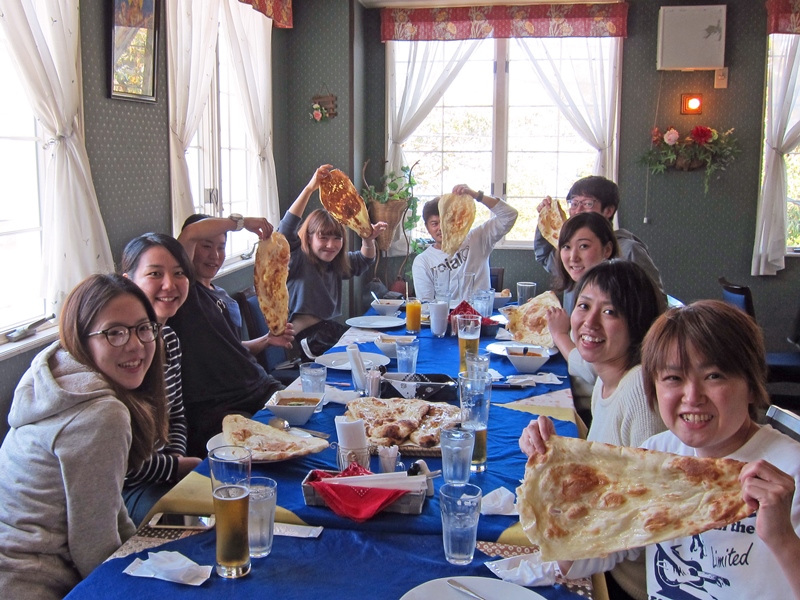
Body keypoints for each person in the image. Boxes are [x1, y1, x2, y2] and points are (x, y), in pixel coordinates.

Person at [526, 300, 800, 600]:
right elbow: (580, 560)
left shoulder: (790, 471)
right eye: (673, 378)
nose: (692, 396)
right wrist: (555, 480)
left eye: (714, 376)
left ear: (751, 383)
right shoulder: (659, 454)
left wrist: (782, 538)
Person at [0, 274, 168, 600]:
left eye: (144, 328)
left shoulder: (58, 373)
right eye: (114, 333)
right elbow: (94, 547)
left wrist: (141, 553)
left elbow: (106, 505)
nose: (135, 345)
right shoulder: (102, 415)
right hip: (31, 582)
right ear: (82, 337)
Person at [521, 259, 667, 600]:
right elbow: (607, 472)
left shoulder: (637, 391)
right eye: (584, 306)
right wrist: (555, 452)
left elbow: (649, 515)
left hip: (627, 583)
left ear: (638, 323)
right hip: (603, 564)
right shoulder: (608, 380)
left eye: (610, 312)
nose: (589, 321)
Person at [172, 213, 295, 457]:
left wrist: (266, 341)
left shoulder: (221, 296)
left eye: (221, 247)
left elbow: (231, 348)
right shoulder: (183, 293)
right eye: (206, 246)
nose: (214, 255)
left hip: (259, 386)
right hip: (220, 404)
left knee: (310, 418)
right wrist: (241, 223)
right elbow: (189, 234)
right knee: (269, 449)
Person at [119, 233, 203, 524]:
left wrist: (175, 463)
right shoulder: (120, 354)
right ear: (128, 281)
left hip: (162, 470)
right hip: (124, 488)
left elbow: (176, 416)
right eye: (155, 274)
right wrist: (174, 468)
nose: (170, 284)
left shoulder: (169, 338)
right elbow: (121, 465)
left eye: (179, 273)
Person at [278, 164, 387, 353]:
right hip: (304, 341)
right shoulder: (298, 259)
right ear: (309, 237)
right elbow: (286, 230)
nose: (331, 245)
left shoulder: (335, 262)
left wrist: (367, 240)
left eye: (337, 238)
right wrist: (310, 189)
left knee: (376, 346)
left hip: (326, 330)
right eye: (323, 237)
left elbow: (364, 260)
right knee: (367, 354)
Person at [534, 176, 664, 297]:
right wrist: (546, 219)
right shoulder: (571, 250)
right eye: (574, 203)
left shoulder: (629, 250)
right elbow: (546, 258)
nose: (578, 210)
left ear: (608, 210)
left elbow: (655, 299)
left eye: (587, 203)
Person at [545, 212, 620, 417]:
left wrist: (560, 334)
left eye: (584, 246)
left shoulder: (614, 294)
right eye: (566, 247)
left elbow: (589, 371)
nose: (572, 256)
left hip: (591, 411)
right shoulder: (582, 288)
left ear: (607, 249)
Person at [412, 184, 518, 302]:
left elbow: (509, 215)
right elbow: (426, 303)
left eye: (446, 221)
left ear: (456, 221)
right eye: (434, 224)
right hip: (446, 316)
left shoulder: (477, 238)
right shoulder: (423, 261)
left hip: (479, 314)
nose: (441, 228)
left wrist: (477, 195)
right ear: (427, 227)